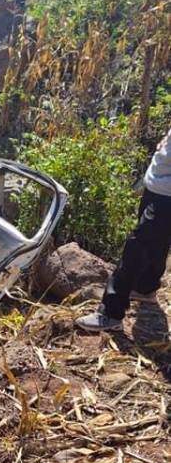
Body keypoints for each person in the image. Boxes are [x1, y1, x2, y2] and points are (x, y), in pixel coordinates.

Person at [77, 128, 171, 332]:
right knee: (158, 243)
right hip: (156, 186)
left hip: (167, 197)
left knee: (136, 247)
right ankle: (145, 288)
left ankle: (110, 312)